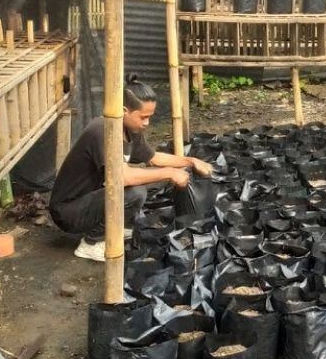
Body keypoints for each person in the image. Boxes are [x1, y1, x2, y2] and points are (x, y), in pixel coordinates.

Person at [49, 74, 212, 262]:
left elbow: (154, 158)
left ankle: (119, 227)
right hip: (69, 211)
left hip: (94, 198)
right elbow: (122, 177)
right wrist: (170, 173)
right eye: (143, 117)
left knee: (153, 183)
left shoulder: (130, 130)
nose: (147, 123)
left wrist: (191, 161)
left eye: (150, 117)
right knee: (135, 192)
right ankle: (92, 243)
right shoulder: (102, 130)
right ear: (124, 110)